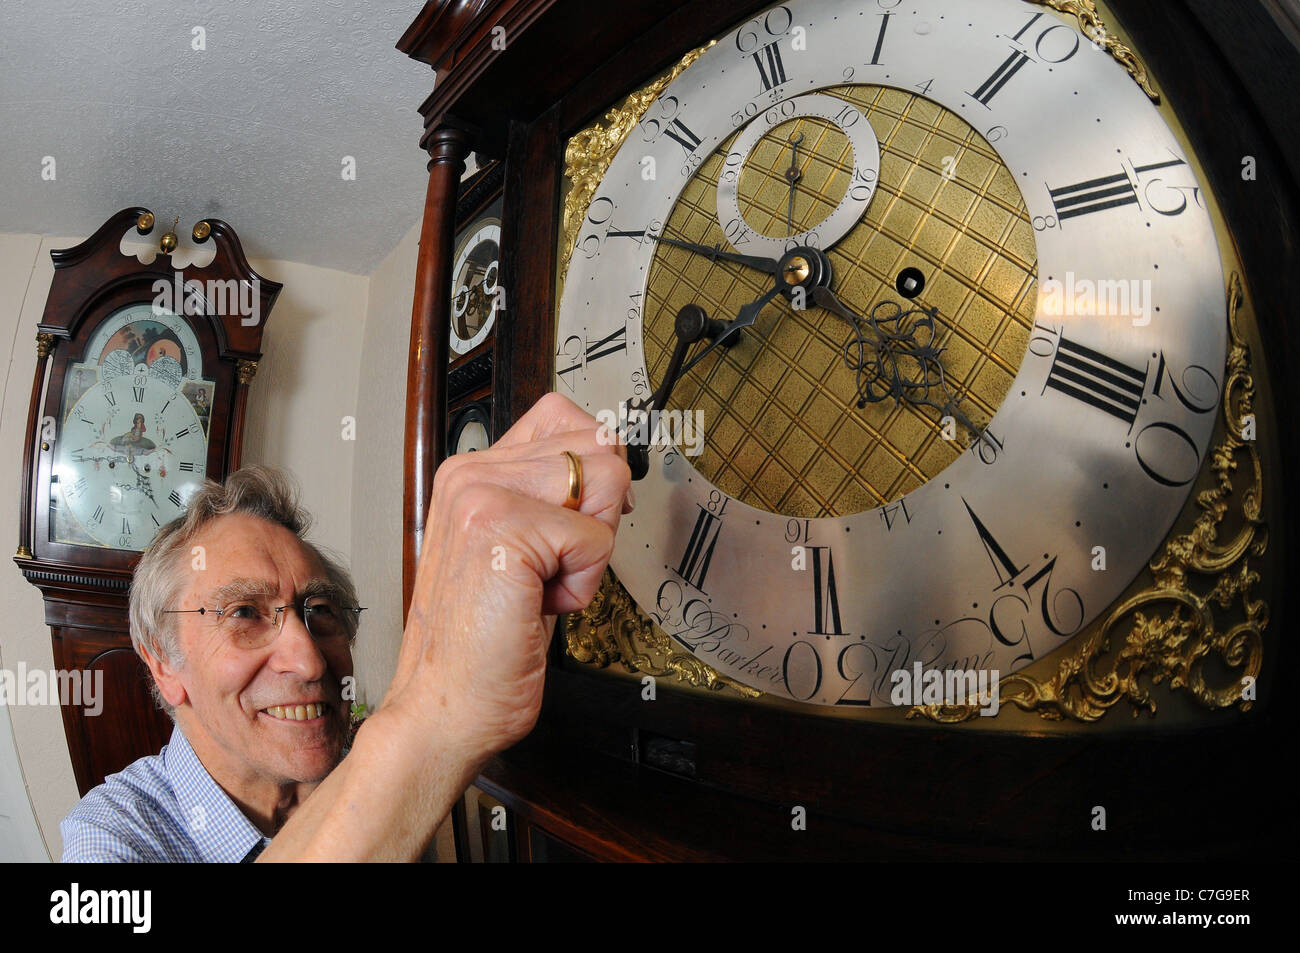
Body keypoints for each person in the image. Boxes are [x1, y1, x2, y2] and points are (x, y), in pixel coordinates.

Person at [60, 392, 632, 861]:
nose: (309, 660)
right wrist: (428, 719)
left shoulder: (357, 751)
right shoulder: (111, 835)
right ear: (163, 662)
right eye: (244, 613)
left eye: (320, 612)